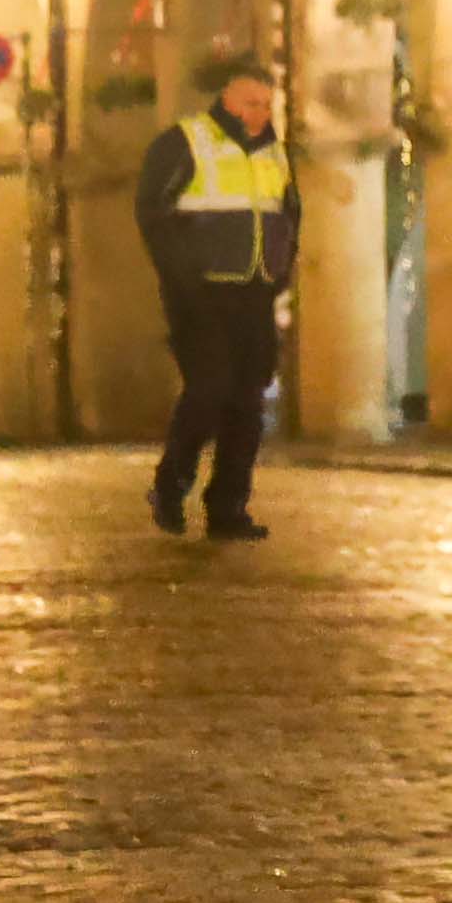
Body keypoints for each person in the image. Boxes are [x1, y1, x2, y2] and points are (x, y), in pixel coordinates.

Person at [143, 48, 297, 539]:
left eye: (266, 104)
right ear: (226, 99)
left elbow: (288, 214)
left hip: (254, 289)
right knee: (209, 390)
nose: (259, 113)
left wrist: (280, 272)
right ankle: (171, 485)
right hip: (201, 291)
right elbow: (153, 213)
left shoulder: (274, 151)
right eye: (251, 103)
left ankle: (228, 508)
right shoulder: (185, 141)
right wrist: (181, 275)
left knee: (248, 401)